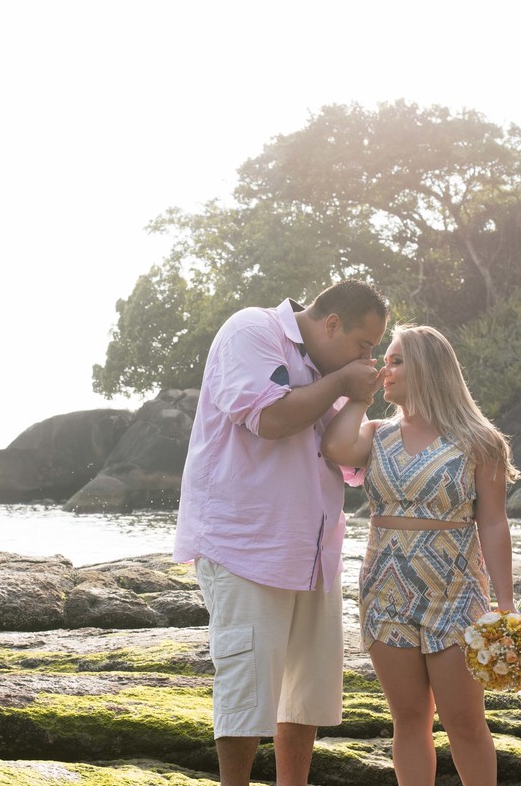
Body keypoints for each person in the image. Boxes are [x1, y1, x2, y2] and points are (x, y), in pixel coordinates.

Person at [174, 279, 390, 786]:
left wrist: (355, 396)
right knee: (247, 688)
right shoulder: (253, 330)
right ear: (332, 323)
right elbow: (267, 418)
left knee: (305, 694)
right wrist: (342, 386)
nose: (368, 358)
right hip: (246, 543)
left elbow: (342, 453)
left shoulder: (330, 371)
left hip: (313, 549)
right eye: (364, 345)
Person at [321, 323, 520, 786]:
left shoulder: (479, 440)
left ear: (427, 367)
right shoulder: (375, 433)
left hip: (454, 592)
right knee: (409, 718)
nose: (383, 369)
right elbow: (333, 447)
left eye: (394, 361)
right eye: (383, 361)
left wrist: (505, 604)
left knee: (464, 722)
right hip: (386, 589)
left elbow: (493, 522)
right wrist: (358, 395)